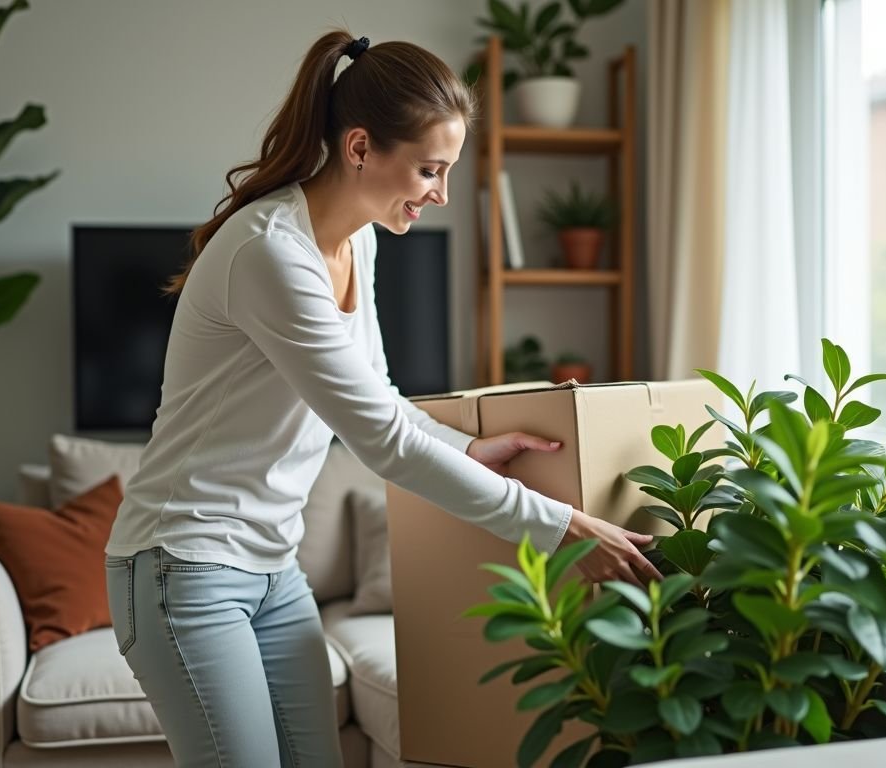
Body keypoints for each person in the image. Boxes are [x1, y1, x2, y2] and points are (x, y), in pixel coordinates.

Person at [102, 29, 662, 768]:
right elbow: (381, 443)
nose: (440, 194)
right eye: (430, 170)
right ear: (361, 147)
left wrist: (466, 449)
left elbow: (383, 400)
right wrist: (558, 527)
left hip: (274, 570)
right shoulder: (271, 252)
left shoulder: (357, 241)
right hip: (185, 566)